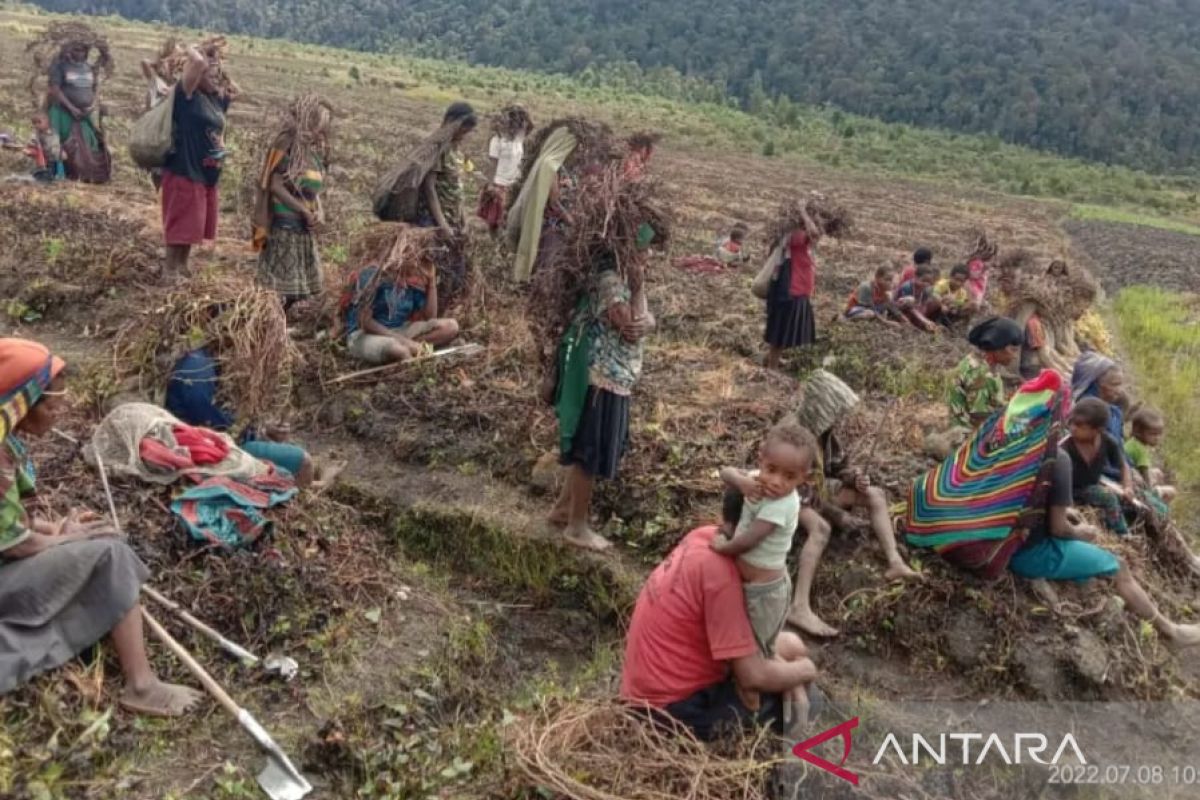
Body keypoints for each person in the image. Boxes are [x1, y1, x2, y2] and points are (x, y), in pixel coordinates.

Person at [907, 370, 1200, 647]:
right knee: (1118, 567)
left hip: (985, 532)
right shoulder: (1056, 459)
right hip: (1023, 552)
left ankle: (1088, 579)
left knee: (1087, 560)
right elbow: (1060, 529)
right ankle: (1171, 631)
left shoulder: (999, 439)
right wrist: (1082, 531)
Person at [0, 338, 204, 713]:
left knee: (97, 541)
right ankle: (140, 685)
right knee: (111, 553)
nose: (60, 411)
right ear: (20, 405)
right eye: (51, 404)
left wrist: (57, 529)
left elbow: (14, 523)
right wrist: (68, 540)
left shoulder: (6, 443)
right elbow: (13, 544)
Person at [620, 525, 819, 741]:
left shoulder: (705, 536)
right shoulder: (722, 576)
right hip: (668, 713)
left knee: (792, 644)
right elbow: (752, 677)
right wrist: (806, 670)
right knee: (808, 700)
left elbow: (757, 650)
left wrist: (787, 669)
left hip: (653, 685)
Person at [789, 370, 919, 637]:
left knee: (876, 495)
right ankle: (799, 606)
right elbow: (801, 491)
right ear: (820, 408)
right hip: (789, 495)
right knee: (821, 529)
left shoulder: (824, 434)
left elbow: (838, 467)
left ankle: (894, 561)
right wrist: (836, 514)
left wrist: (854, 478)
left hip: (818, 491)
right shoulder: (793, 437)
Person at [548, 252, 654, 552]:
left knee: (588, 448)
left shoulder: (621, 279)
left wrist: (647, 316)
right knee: (589, 453)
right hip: (600, 379)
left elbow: (648, 320)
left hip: (614, 379)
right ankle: (577, 527)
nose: (647, 257)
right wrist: (641, 288)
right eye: (644, 250)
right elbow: (632, 327)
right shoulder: (610, 281)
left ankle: (563, 509)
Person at [164, 344, 338, 489]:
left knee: (284, 448)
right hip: (210, 449)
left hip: (214, 440)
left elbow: (224, 416)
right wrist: (257, 433)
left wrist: (263, 430)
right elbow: (219, 427)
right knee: (304, 462)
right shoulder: (197, 367)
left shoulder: (207, 358)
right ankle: (316, 488)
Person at [712, 421, 814, 655]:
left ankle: (798, 675)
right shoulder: (757, 478)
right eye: (771, 470)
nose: (776, 481)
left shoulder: (784, 504)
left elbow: (750, 540)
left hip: (766, 594)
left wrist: (722, 548)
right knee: (751, 647)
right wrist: (742, 482)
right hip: (752, 586)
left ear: (803, 478)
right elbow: (724, 472)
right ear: (761, 460)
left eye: (789, 476)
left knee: (757, 655)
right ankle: (792, 686)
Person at [252, 94, 334, 306]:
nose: (321, 132)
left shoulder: (312, 153)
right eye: (319, 125)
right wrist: (303, 211)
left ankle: (280, 325)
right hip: (286, 227)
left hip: (303, 227)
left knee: (296, 292)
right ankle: (270, 327)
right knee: (277, 290)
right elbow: (275, 185)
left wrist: (318, 213)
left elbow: (314, 192)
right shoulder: (288, 144)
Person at [161, 42, 233, 281]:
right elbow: (198, 64)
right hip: (185, 167)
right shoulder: (186, 95)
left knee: (194, 224)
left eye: (218, 75)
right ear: (197, 75)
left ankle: (182, 266)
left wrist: (217, 66)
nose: (217, 79)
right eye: (211, 76)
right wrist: (192, 49)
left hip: (206, 173)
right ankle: (170, 270)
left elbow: (237, 90)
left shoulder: (215, 100)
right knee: (182, 221)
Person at [1062, 398, 1138, 536]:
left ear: (1097, 430)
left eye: (1080, 426)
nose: (1073, 428)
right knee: (1107, 496)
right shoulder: (1065, 446)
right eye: (1072, 423)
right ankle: (1123, 534)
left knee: (1129, 502)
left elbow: (1123, 465)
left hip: (1091, 485)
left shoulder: (1107, 441)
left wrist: (1128, 487)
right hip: (1072, 491)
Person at [764, 208, 821, 369]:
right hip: (790, 290)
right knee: (781, 332)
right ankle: (772, 368)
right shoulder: (796, 235)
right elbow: (815, 233)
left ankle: (772, 360)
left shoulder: (799, 236)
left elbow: (815, 236)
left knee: (784, 330)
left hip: (798, 289)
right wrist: (804, 211)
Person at [45, 39, 109, 183]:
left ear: (86, 51)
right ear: (68, 50)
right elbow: (55, 90)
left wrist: (92, 105)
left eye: (81, 50)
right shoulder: (60, 67)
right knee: (62, 144)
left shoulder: (89, 68)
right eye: (75, 50)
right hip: (63, 113)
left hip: (84, 115)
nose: (78, 53)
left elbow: (95, 89)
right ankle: (58, 173)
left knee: (89, 143)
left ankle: (86, 174)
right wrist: (71, 107)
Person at [946, 316, 1023, 428]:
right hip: (969, 437)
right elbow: (979, 416)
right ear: (997, 347)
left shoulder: (977, 361)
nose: (1015, 356)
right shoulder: (980, 373)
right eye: (1012, 350)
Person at [417, 102, 477, 238]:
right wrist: (443, 225)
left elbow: (457, 188)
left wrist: (463, 219)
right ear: (451, 123)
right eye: (462, 131)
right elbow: (429, 189)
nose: (463, 136)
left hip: (451, 219)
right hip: (432, 221)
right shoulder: (437, 149)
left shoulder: (456, 151)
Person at [478, 105, 532, 234]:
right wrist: (490, 186)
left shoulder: (519, 137)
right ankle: (494, 244)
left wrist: (522, 110)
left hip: (514, 183)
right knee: (495, 221)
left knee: (509, 220)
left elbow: (531, 126)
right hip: (499, 184)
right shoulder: (497, 140)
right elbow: (492, 165)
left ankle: (502, 244)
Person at [1071, 352, 1127, 456]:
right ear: (1099, 383)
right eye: (1114, 384)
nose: (1119, 391)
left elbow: (1120, 449)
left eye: (1120, 384)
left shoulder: (1114, 412)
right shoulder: (1089, 412)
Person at [1126, 407, 1176, 502]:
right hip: (1135, 483)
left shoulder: (1132, 442)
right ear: (1138, 432)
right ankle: (1157, 506)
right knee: (1172, 491)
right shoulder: (1140, 450)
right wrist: (1151, 490)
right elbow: (1144, 474)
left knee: (1157, 472)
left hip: (1132, 475)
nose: (1157, 438)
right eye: (1153, 434)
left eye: (1159, 434)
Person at [894, 264, 941, 332]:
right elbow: (910, 308)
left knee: (936, 301)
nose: (926, 284)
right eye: (923, 280)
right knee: (910, 300)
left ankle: (925, 325)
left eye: (928, 282)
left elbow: (924, 306)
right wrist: (924, 320)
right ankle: (913, 325)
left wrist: (925, 320)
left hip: (917, 311)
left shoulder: (925, 289)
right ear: (915, 277)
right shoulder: (907, 287)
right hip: (902, 310)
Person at [26, 112, 65, 182]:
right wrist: (32, 145)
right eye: (34, 123)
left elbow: (54, 146)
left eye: (39, 122)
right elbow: (32, 142)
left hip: (53, 157)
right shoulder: (36, 134)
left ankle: (57, 176)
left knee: (56, 164)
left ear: (47, 122)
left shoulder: (53, 133)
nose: (37, 125)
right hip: (43, 158)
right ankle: (39, 173)